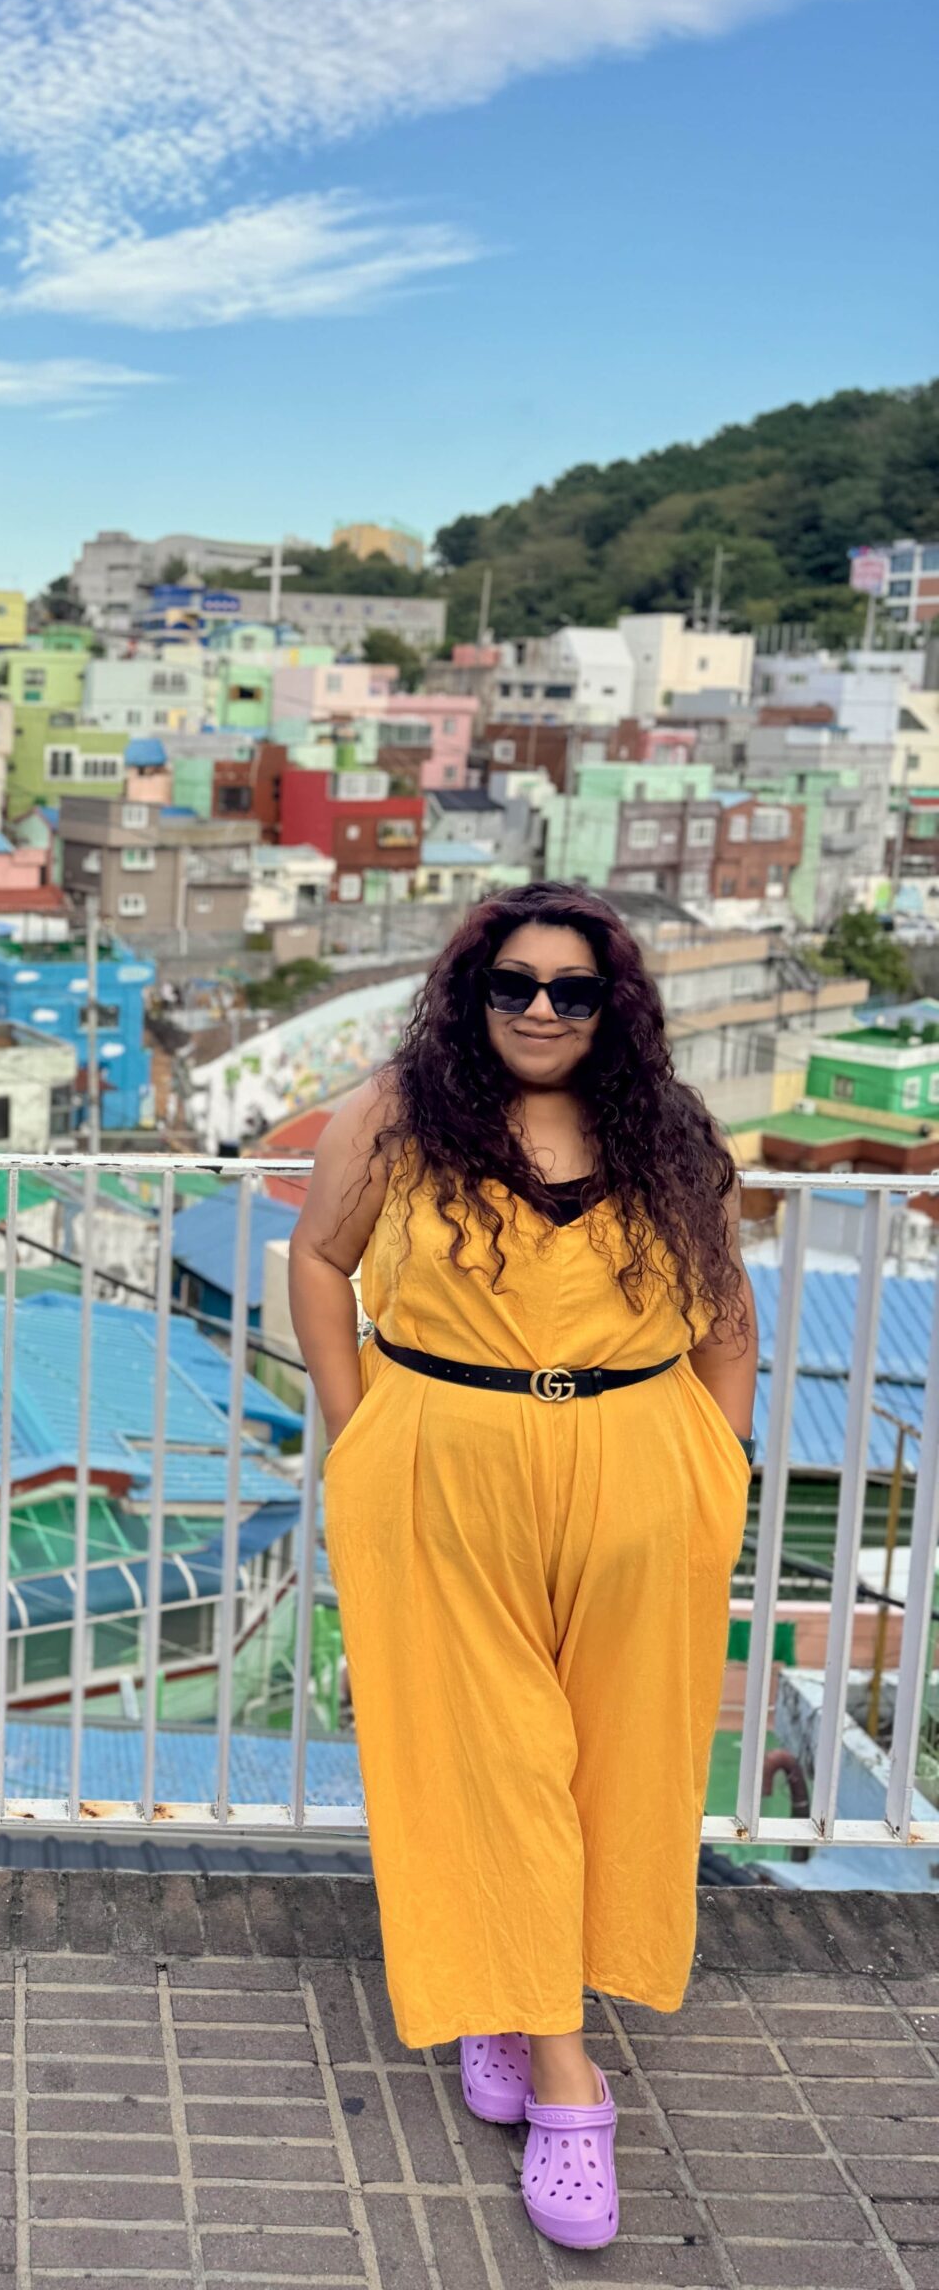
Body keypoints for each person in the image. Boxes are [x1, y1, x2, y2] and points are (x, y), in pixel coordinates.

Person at [286, 883, 754, 2254]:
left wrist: (708, 1467)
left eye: (573, 989)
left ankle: (507, 1987)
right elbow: (320, 1262)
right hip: (442, 1468)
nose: (541, 1010)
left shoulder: (663, 1132)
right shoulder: (396, 1114)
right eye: (514, 984)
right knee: (489, 1759)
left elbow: (727, 1317)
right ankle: (567, 2080)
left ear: (616, 1006)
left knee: (608, 1764)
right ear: (471, 991)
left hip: (639, 1479)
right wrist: (359, 1428)